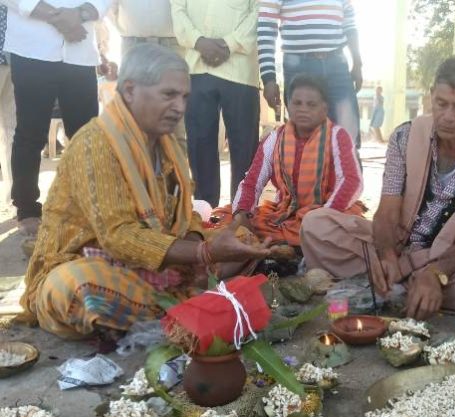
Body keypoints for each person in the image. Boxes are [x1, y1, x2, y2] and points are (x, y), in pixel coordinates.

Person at [20, 44, 271, 340]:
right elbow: (118, 235)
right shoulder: (95, 142)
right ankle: (187, 300)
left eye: (184, 97)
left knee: (243, 238)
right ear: (129, 90)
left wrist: (196, 251)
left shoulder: (166, 143)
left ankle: (174, 300)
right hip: (92, 260)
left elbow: (183, 214)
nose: (180, 107)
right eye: (169, 95)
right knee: (79, 288)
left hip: (160, 257)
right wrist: (201, 253)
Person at [301, 56, 455, 320]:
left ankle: (400, 285)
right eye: (441, 104)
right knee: (315, 225)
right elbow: (387, 211)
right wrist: (386, 254)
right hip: (400, 245)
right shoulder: (405, 135)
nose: (448, 117)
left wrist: (435, 273)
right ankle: (399, 282)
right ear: (431, 96)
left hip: (448, 258)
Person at [2, 0, 108, 236]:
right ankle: (27, 209)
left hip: (80, 50)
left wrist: (79, 14)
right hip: (32, 48)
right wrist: (58, 17)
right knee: (30, 133)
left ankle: (87, 203)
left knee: (86, 134)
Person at [232, 74, 363, 247]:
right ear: (288, 106)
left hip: (331, 213)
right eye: (297, 103)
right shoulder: (274, 139)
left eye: (311, 104)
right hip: (285, 215)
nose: (303, 109)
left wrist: (322, 219)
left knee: (345, 234)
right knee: (235, 222)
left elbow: (352, 182)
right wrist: (242, 215)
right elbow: (251, 183)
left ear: (324, 108)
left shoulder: (337, 136)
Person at [171, 0, 260, 207]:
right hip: (197, 65)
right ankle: (204, 210)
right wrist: (199, 42)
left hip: (241, 69)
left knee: (244, 146)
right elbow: (177, 7)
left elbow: (260, 9)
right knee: (199, 143)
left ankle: (242, 211)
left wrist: (229, 44)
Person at [258, 0, 363, 147]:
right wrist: (268, 77)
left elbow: (349, 22)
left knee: (348, 138)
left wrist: (357, 63)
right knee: (305, 141)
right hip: (299, 66)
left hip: (337, 65)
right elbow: (266, 24)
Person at [111, 0, 186, 150]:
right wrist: (125, 28)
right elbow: (110, 7)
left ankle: (176, 165)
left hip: (172, 44)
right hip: (133, 43)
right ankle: (134, 165)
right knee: (132, 113)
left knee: (174, 116)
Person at [0, 5, 13, 204]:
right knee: (12, 131)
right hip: (13, 61)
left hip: (13, 62)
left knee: (13, 131)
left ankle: (15, 195)